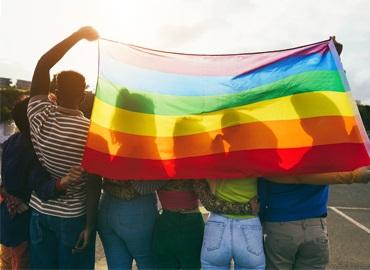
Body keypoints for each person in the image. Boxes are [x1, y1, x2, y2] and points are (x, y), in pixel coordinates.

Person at [27, 26, 101, 269]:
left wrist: (78, 35)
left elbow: (43, 64)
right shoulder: (93, 132)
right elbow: (93, 183)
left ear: (55, 94)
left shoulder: (38, 114)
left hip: (39, 211)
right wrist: (91, 225)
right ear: (83, 96)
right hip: (73, 218)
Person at [0, 98, 84, 270]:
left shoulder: (12, 141)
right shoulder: (34, 149)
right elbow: (42, 187)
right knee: (23, 262)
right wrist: (63, 182)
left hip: (8, 216)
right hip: (23, 220)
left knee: (10, 260)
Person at [153, 179, 258, 270]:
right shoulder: (192, 171)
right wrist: (246, 208)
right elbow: (210, 204)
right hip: (190, 229)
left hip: (164, 228)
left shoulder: (159, 169)